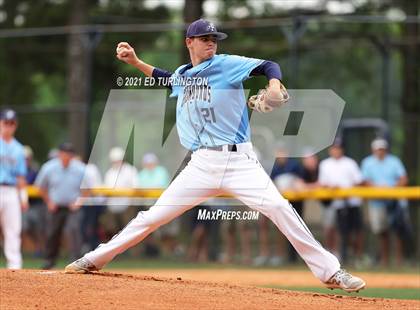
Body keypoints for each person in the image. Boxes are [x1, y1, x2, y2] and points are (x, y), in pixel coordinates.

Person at [65, 19, 365, 292]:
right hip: (201, 165)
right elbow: (167, 78)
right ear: (189, 42)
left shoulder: (227, 64)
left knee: (280, 208)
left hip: (240, 163)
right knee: (152, 217)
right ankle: (93, 259)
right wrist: (135, 61)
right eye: (205, 38)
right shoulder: (185, 74)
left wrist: (273, 83)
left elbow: (268, 65)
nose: (211, 42)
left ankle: (332, 272)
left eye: (214, 38)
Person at [361, 138, 412, 266]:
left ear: (386, 150)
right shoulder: (367, 162)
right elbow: (364, 181)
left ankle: (399, 261)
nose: (380, 152)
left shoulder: (394, 161)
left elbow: (403, 179)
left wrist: (391, 189)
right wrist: (378, 188)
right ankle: (385, 261)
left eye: (382, 149)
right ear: (373, 150)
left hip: (394, 201)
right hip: (377, 202)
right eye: (378, 149)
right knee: (381, 231)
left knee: (398, 231)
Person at [35, 142, 86, 269]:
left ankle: (76, 262)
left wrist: (79, 202)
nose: (66, 156)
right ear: (59, 154)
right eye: (64, 153)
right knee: (52, 233)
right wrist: (49, 201)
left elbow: (87, 189)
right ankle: (49, 261)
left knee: (73, 231)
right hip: (55, 206)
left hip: (72, 207)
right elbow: (41, 187)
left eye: (69, 153)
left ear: (73, 155)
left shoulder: (80, 168)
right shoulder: (49, 167)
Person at [318, 139, 364, 264]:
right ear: (330, 150)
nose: (336, 150)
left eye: (338, 148)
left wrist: (346, 190)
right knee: (332, 228)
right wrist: (331, 187)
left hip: (352, 201)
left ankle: (357, 256)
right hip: (333, 202)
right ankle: (331, 254)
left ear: (342, 149)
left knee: (355, 230)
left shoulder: (350, 163)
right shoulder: (325, 164)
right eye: (334, 148)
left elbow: (359, 181)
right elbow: (322, 184)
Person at [0, 109, 28, 269]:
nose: (8, 127)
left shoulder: (18, 148)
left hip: (11, 191)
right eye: (5, 123)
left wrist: (23, 198)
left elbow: (21, 176)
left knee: (13, 229)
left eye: (11, 123)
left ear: (15, 125)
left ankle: (14, 266)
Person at [103, 147, 138, 235]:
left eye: (118, 160)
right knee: (112, 232)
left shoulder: (130, 170)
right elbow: (106, 190)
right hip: (112, 207)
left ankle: (135, 249)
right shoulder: (109, 173)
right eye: (114, 161)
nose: (117, 163)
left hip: (127, 207)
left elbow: (136, 187)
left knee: (130, 232)